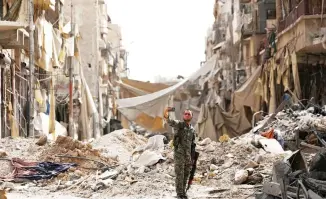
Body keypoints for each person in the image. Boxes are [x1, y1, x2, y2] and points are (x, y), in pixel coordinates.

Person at [164, 108, 196, 199]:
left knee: (186, 174)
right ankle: (179, 194)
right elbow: (169, 121)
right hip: (179, 154)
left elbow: (193, 144)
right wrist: (166, 111)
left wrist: (192, 157)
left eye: (188, 114)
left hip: (188, 155)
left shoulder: (192, 130)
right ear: (183, 116)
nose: (186, 115)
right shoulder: (179, 125)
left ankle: (183, 192)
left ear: (191, 116)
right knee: (179, 174)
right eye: (185, 114)